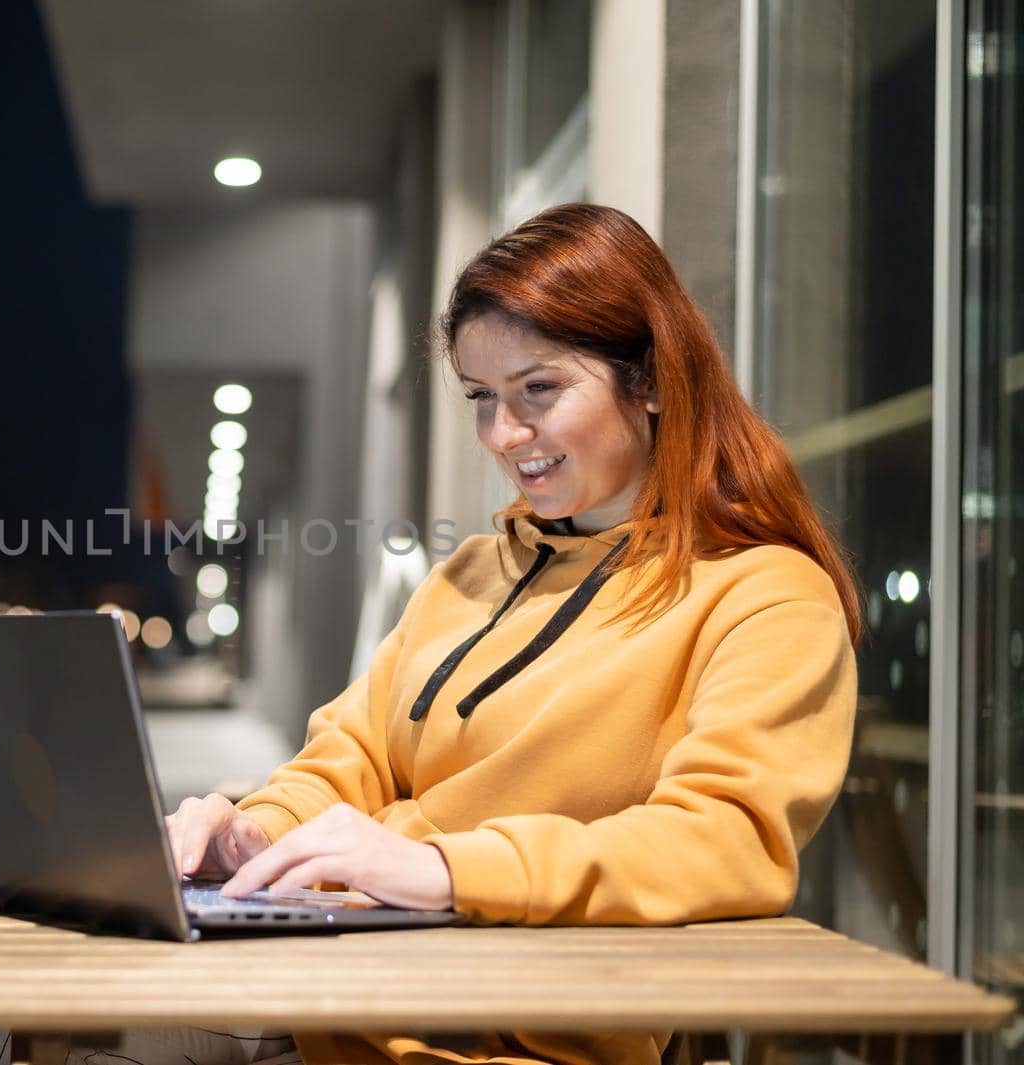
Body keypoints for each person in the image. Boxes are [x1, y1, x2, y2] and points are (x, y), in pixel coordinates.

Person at [156, 203, 860, 1065]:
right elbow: (352, 756)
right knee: (75, 1013)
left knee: (93, 1037)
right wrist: (254, 832)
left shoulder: (765, 595)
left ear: (654, 380)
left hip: (507, 1032)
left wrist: (450, 870)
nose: (504, 433)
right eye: (484, 398)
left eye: (539, 389)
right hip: (340, 985)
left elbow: (727, 840)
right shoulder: (469, 574)